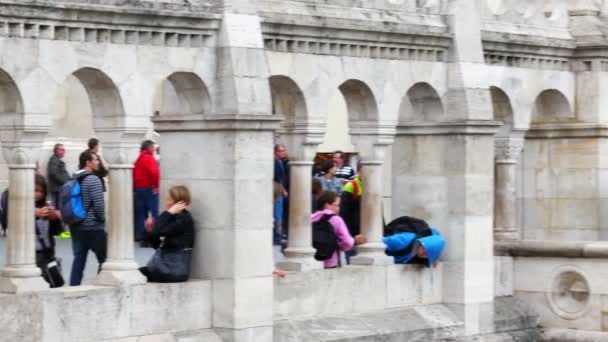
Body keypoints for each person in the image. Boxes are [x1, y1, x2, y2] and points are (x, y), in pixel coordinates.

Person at [140, 185, 194, 282]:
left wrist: (168, 213)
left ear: (179, 203)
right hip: (163, 266)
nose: (166, 202)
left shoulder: (184, 219)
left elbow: (159, 231)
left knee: (136, 276)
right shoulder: (171, 217)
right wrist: (149, 231)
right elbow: (156, 245)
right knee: (134, 274)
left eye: (169, 199)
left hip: (174, 271)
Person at [69, 150, 107, 286]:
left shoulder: (74, 178)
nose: (98, 162)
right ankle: (101, 285)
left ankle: (73, 287)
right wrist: (102, 220)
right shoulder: (94, 179)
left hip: (76, 225)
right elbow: (98, 205)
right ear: (88, 162)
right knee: (106, 259)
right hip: (93, 226)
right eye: (96, 159)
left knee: (78, 259)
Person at [311, 191, 366, 268]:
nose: (339, 208)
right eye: (337, 205)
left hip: (313, 262)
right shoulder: (336, 219)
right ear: (327, 205)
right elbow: (348, 242)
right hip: (330, 261)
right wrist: (351, 242)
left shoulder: (311, 218)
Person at [33, 175, 64, 286]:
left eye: (41, 191)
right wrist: (35, 213)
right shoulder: (23, 207)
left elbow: (57, 232)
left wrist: (55, 218)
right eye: (35, 190)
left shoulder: (47, 206)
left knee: (53, 283)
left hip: (48, 252)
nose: (38, 194)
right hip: (32, 254)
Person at [133, 140, 160, 246]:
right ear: (149, 148)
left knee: (141, 214)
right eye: (153, 147)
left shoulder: (137, 158)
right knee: (154, 213)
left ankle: (143, 237)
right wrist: (157, 186)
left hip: (138, 189)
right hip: (149, 189)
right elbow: (155, 173)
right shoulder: (148, 158)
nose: (154, 149)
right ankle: (154, 236)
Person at [340, 172, 362, 263]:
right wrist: (349, 236)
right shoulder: (351, 186)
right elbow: (344, 213)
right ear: (360, 172)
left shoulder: (374, 184)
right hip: (354, 232)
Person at [273, 144, 288, 245]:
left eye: (284, 150)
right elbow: (278, 180)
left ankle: (277, 236)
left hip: (278, 191)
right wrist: (283, 190)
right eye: (281, 151)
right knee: (277, 216)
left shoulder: (280, 162)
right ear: (276, 152)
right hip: (277, 192)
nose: (283, 152)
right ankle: (277, 237)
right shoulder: (276, 162)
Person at [47, 143, 70, 208]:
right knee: (58, 208)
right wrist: (65, 182)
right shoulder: (54, 160)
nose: (64, 151)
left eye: (64, 150)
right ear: (56, 150)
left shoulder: (56, 160)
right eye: (62, 150)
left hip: (59, 189)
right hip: (57, 189)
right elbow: (53, 173)